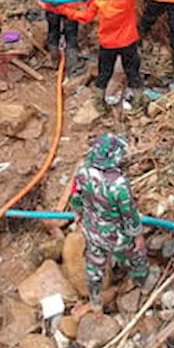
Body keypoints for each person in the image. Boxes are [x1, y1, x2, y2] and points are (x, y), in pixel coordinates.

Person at [72, 0, 171, 112]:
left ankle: (99, 104)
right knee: (132, 71)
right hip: (128, 41)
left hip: (107, 43)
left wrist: (65, 10)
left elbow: (86, 17)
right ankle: (138, 103)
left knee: (104, 72)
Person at [69, 134, 148, 315]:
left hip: (92, 230)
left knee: (94, 266)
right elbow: (129, 214)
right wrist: (138, 236)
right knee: (137, 256)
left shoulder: (83, 172)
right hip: (116, 236)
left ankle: (95, 300)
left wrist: (78, 214)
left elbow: (76, 197)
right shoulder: (119, 185)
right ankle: (141, 284)